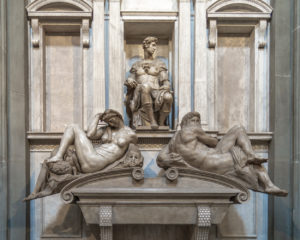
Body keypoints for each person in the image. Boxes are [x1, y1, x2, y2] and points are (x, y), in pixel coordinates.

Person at [157, 111, 288, 196]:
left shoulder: (172, 141)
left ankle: (255, 163)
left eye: (198, 121)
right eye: (194, 120)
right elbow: (213, 142)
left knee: (241, 155)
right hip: (212, 161)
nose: (197, 123)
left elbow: (160, 159)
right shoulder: (193, 130)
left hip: (206, 163)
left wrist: (175, 160)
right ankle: (267, 182)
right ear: (186, 123)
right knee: (239, 132)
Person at [24, 109, 138, 200]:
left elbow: (134, 151)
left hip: (97, 162)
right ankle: (35, 192)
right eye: (108, 121)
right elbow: (90, 134)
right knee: (48, 162)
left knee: (73, 127)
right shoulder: (107, 130)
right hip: (91, 158)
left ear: (118, 116)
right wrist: (97, 117)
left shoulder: (130, 134)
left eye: (112, 120)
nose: (110, 123)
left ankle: (59, 155)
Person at [125, 36, 173, 129]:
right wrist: (129, 81)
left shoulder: (159, 64)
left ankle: (161, 123)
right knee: (145, 87)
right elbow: (131, 80)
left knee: (168, 97)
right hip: (140, 92)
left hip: (156, 91)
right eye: (153, 45)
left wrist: (166, 86)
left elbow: (165, 82)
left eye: (155, 46)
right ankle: (152, 121)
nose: (155, 48)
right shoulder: (136, 65)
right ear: (146, 45)